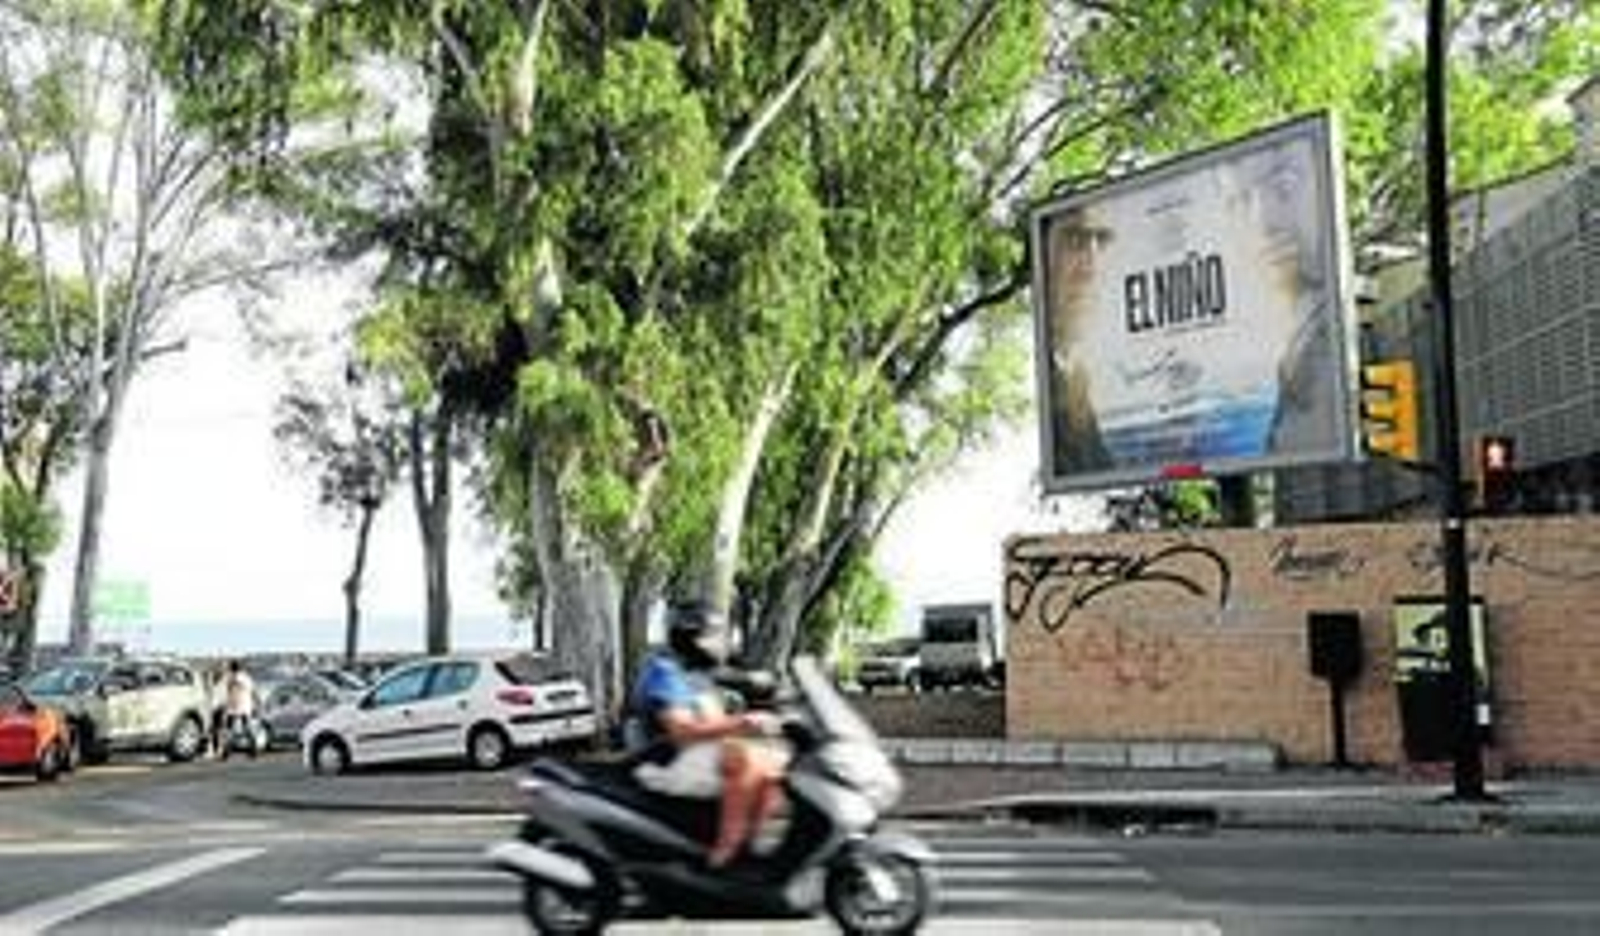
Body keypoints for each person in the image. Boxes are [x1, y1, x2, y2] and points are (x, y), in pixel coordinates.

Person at [627, 602, 787, 868]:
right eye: (712, 637)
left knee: (777, 764)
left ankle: (751, 848)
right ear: (690, 638)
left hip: (696, 757)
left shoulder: (697, 673)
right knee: (743, 757)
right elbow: (682, 732)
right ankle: (725, 854)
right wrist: (742, 722)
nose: (719, 644)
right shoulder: (665, 672)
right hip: (664, 760)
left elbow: (739, 686)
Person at [220, 660, 257, 759]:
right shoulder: (247, 678)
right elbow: (252, 691)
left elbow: (232, 691)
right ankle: (253, 750)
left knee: (228, 730)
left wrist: (228, 704)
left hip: (235, 706)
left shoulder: (233, 678)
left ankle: (226, 752)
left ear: (232, 668)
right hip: (246, 706)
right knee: (247, 728)